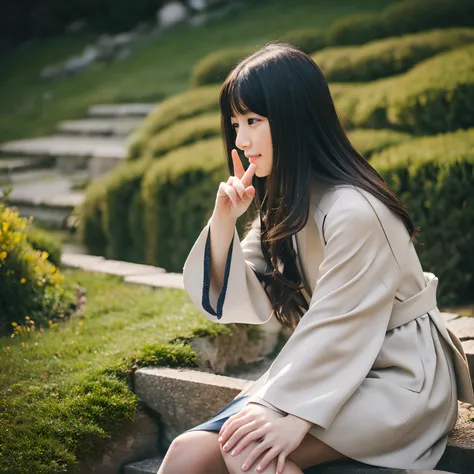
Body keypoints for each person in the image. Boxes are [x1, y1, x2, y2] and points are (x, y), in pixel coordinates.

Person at [157, 43, 474, 474]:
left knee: (247, 455)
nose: (241, 139)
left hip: (398, 377)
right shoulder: (288, 203)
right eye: (236, 124)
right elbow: (239, 290)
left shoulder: (355, 211)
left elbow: (342, 324)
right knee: (185, 453)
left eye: (253, 121)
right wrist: (223, 223)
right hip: (326, 370)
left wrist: (295, 417)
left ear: (293, 118)